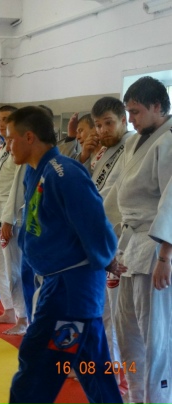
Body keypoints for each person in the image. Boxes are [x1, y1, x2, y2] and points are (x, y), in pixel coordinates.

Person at [7, 106, 123, 404]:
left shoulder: (64, 172)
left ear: (29, 137)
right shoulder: (37, 171)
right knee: (94, 370)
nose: (7, 146)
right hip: (64, 286)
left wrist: (107, 256)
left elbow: (93, 220)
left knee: (38, 368)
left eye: (10, 138)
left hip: (70, 291)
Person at [105, 76, 172, 404]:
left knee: (155, 335)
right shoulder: (134, 143)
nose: (130, 119)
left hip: (156, 247)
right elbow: (117, 194)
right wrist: (105, 239)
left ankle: (158, 399)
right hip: (129, 244)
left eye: (136, 112)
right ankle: (134, 396)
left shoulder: (169, 140)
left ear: (158, 106)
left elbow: (171, 201)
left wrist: (165, 256)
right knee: (127, 331)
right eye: (128, 112)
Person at [88, 96, 135, 396]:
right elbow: (94, 189)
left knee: (120, 315)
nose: (103, 130)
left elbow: (115, 196)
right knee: (104, 311)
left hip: (120, 240)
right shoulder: (103, 151)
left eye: (109, 123)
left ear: (124, 120)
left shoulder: (132, 146)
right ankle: (111, 369)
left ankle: (125, 375)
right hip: (101, 240)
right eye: (98, 125)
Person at [0, 105, 28, 335]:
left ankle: (23, 317)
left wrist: (9, 218)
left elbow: (17, 189)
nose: (1, 124)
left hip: (9, 215)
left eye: (6, 119)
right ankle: (9, 309)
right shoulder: (2, 149)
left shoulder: (19, 151)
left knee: (13, 270)